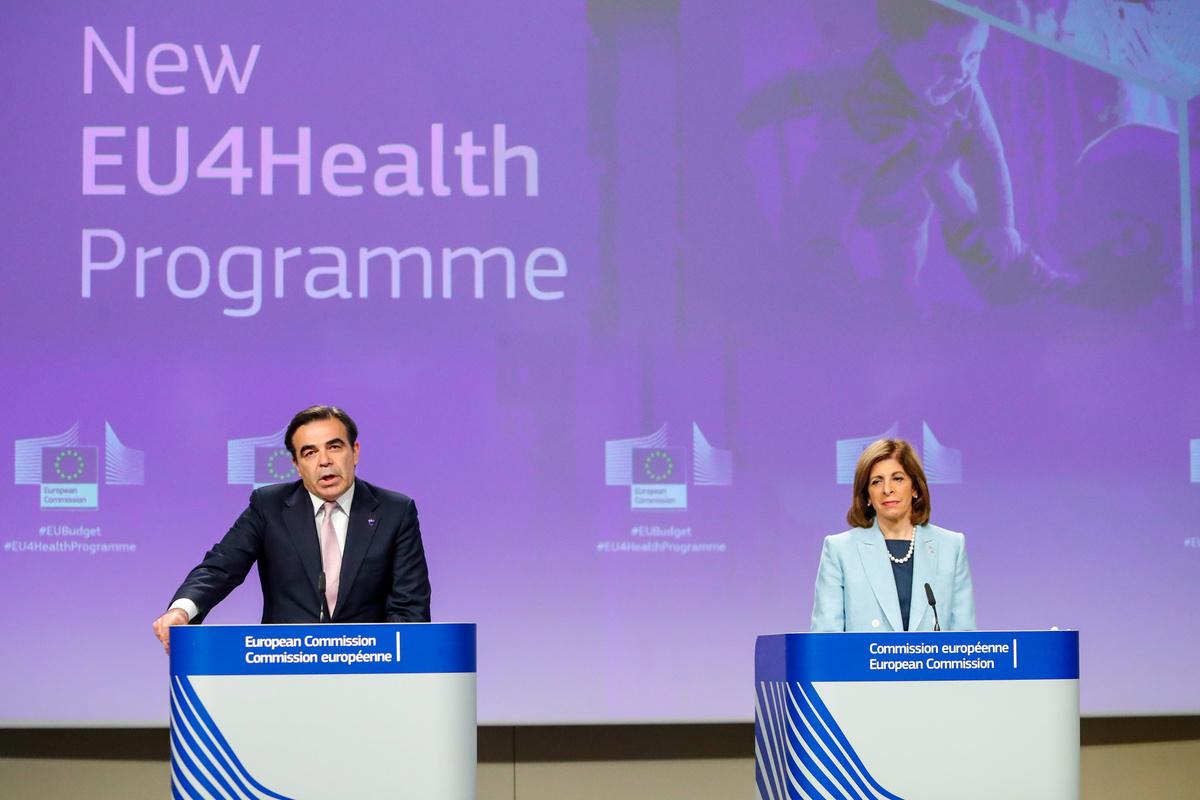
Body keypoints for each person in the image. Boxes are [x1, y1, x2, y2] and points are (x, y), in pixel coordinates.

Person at [740, 0, 1069, 306]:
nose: (961, 73)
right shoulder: (859, 70)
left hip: (908, 189)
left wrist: (1001, 225)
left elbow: (988, 153)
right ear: (894, 48)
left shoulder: (965, 89)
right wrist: (742, 121)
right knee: (833, 188)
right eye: (944, 60)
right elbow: (795, 86)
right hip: (847, 178)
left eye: (974, 57)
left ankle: (1004, 270)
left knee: (942, 195)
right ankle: (821, 270)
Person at [152, 405, 431, 653]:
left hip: (369, 665)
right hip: (285, 664)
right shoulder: (269, 506)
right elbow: (221, 567)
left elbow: (409, 606)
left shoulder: (395, 511)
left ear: (354, 451)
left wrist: (394, 664)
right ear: (297, 465)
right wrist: (182, 610)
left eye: (334, 447)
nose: (324, 461)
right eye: (310, 453)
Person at [810, 438, 974, 632]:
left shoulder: (951, 546)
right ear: (867, 496)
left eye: (897, 478)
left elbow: (965, 637)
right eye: (876, 481)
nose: (887, 489)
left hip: (930, 654)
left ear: (915, 488)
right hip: (863, 654)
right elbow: (826, 637)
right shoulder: (840, 550)